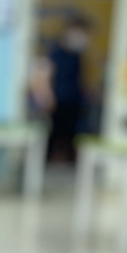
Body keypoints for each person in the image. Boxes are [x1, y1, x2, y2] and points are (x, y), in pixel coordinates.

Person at [46, 16, 90, 163]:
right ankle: (47, 159)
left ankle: (71, 161)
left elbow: (80, 78)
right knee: (54, 131)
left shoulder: (77, 56)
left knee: (73, 133)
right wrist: (49, 97)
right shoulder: (55, 54)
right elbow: (48, 76)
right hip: (57, 99)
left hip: (74, 100)